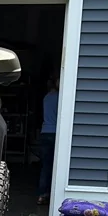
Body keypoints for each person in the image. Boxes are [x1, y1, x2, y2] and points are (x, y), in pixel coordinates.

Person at [37, 76, 60, 205]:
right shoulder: (59, 97)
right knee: (55, 166)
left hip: (45, 132)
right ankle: (54, 196)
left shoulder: (46, 98)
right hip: (55, 133)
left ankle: (41, 195)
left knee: (45, 165)